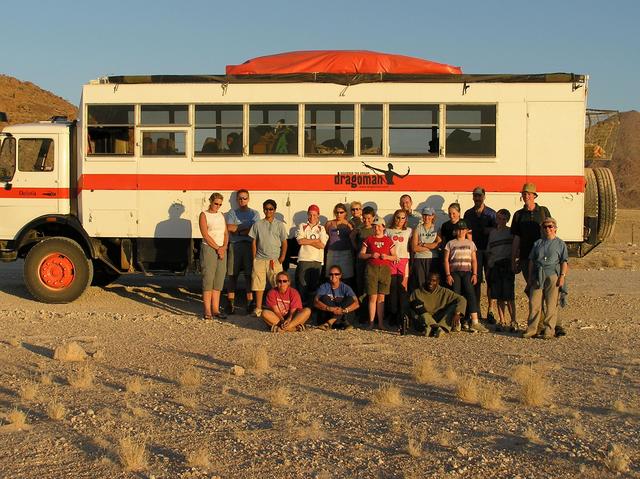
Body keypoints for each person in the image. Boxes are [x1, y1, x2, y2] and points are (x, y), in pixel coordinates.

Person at [523, 217, 568, 339]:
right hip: (538, 275)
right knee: (534, 303)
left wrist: (562, 276)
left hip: (553, 274)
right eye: (545, 226)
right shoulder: (538, 243)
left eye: (550, 226)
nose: (548, 229)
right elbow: (532, 261)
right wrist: (530, 277)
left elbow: (564, 261)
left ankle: (549, 330)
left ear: (555, 228)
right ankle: (532, 329)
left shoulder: (560, 244)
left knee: (551, 303)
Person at [443, 220, 488, 333]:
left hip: (467, 271)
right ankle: (456, 321)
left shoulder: (470, 243)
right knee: (456, 295)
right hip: (455, 272)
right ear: (455, 231)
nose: (461, 231)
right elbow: (446, 260)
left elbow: (474, 260)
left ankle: (475, 321)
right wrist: (448, 274)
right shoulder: (450, 243)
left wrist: (475, 273)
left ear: (466, 230)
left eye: (463, 229)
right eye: (459, 229)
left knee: (470, 294)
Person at [249, 199, 288, 318]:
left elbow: (284, 242)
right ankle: (258, 308)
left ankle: (278, 308)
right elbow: (254, 242)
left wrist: (282, 257)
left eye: (271, 209)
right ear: (263, 210)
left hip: (274, 260)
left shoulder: (279, 225)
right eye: (266, 209)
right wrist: (254, 257)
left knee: (277, 285)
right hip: (260, 259)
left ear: (274, 210)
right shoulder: (257, 224)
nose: (268, 211)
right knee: (258, 285)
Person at [463, 186, 497, 323]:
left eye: (479, 196)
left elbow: (496, 230)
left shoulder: (491, 213)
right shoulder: (468, 214)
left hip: (488, 251)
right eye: (475, 196)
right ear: (473, 197)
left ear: (484, 196)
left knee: (490, 281)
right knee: (475, 281)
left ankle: (491, 310)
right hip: (474, 252)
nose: (477, 198)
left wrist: (488, 230)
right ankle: (475, 310)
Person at [226, 189, 261, 314]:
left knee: (249, 275)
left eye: (245, 198)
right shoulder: (232, 212)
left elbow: (255, 229)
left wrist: (238, 230)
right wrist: (245, 229)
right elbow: (229, 227)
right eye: (240, 198)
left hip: (249, 246)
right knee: (232, 275)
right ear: (237, 200)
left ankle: (250, 303)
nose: (242, 200)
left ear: (248, 199)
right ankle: (230, 303)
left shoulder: (255, 213)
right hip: (234, 246)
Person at [359, 217, 397, 330]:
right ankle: (371, 322)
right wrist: (371, 255)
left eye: (379, 226)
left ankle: (380, 323)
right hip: (372, 269)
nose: (377, 228)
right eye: (375, 226)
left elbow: (395, 256)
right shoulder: (368, 239)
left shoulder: (388, 240)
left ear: (384, 227)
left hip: (385, 269)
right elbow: (361, 254)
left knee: (381, 297)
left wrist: (387, 257)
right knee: (372, 297)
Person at [511, 182, 552, 282]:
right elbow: (516, 238)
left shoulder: (543, 211)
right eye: (524, 194)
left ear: (534, 196)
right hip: (525, 256)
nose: (526, 196)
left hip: (542, 256)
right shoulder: (518, 214)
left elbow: (551, 232)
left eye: (529, 194)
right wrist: (513, 260)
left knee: (543, 285)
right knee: (530, 285)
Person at [199, 192, 229, 320]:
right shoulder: (204, 215)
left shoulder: (221, 215)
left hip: (222, 249)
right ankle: (207, 310)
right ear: (210, 201)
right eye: (216, 203)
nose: (218, 206)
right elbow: (205, 234)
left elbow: (226, 233)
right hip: (209, 249)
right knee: (208, 278)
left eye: (220, 204)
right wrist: (218, 248)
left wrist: (224, 247)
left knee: (219, 278)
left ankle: (216, 309)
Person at [409, 271, 466, 337]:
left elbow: (462, 299)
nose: (430, 283)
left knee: (454, 306)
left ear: (438, 282)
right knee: (416, 304)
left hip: (439, 319)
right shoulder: (417, 292)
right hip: (423, 321)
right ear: (425, 280)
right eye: (429, 280)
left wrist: (457, 313)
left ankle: (438, 329)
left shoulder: (444, 291)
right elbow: (410, 309)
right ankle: (435, 328)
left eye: (434, 281)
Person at [487, 209, 517, 332]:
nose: (501, 221)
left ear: (507, 220)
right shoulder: (493, 233)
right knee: (498, 295)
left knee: (509, 296)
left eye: (504, 219)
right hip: (496, 265)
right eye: (499, 218)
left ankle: (513, 321)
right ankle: (502, 320)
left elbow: (516, 248)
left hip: (507, 265)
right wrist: (490, 263)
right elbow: (490, 250)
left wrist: (515, 262)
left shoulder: (511, 232)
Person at [295, 204, 329, 306]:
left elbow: (322, 245)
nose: (312, 217)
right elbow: (300, 241)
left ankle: (312, 307)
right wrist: (315, 240)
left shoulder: (321, 228)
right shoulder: (302, 226)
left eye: (314, 215)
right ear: (307, 215)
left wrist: (307, 241)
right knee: (302, 285)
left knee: (314, 285)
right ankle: (301, 306)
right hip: (304, 259)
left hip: (317, 260)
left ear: (318, 215)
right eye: (310, 215)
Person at [385, 209, 412, 327]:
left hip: (404, 261)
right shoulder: (388, 231)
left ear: (406, 219)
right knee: (392, 288)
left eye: (402, 218)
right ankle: (393, 314)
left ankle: (403, 315)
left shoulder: (409, 231)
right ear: (394, 218)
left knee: (403, 288)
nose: (400, 220)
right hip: (391, 260)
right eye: (397, 217)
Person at [314, 265, 360, 330]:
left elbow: (357, 303)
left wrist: (344, 310)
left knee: (350, 298)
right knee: (324, 297)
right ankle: (341, 323)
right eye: (331, 274)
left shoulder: (346, 287)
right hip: (328, 314)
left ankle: (330, 322)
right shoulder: (324, 287)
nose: (333, 276)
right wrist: (329, 308)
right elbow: (315, 302)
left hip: (343, 315)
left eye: (336, 274)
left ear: (340, 275)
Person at [411, 207, 441, 290]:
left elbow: (438, 245)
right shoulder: (418, 228)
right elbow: (414, 248)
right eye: (424, 215)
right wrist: (431, 246)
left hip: (433, 259)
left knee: (432, 283)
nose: (426, 217)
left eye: (429, 215)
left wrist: (423, 244)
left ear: (433, 216)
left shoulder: (437, 228)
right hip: (419, 259)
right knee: (421, 283)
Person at [351, 206, 376, 309]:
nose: (366, 220)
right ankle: (360, 308)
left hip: (372, 261)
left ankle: (369, 309)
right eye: (364, 218)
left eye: (369, 218)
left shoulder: (376, 228)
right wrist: (356, 248)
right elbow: (351, 237)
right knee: (360, 284)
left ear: (373, 218)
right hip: (361, 261)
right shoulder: (359, 229)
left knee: (370, 285)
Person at [325, 203, 354, 285]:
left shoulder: (349, 224)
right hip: (332, 252)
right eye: (337, 212)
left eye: (341, 212)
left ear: (345, 213)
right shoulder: (329, 224)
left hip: (345, 252)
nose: (339, 214)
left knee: (346, 276)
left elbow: (353, 237)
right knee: (331, 275)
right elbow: (325, 238)